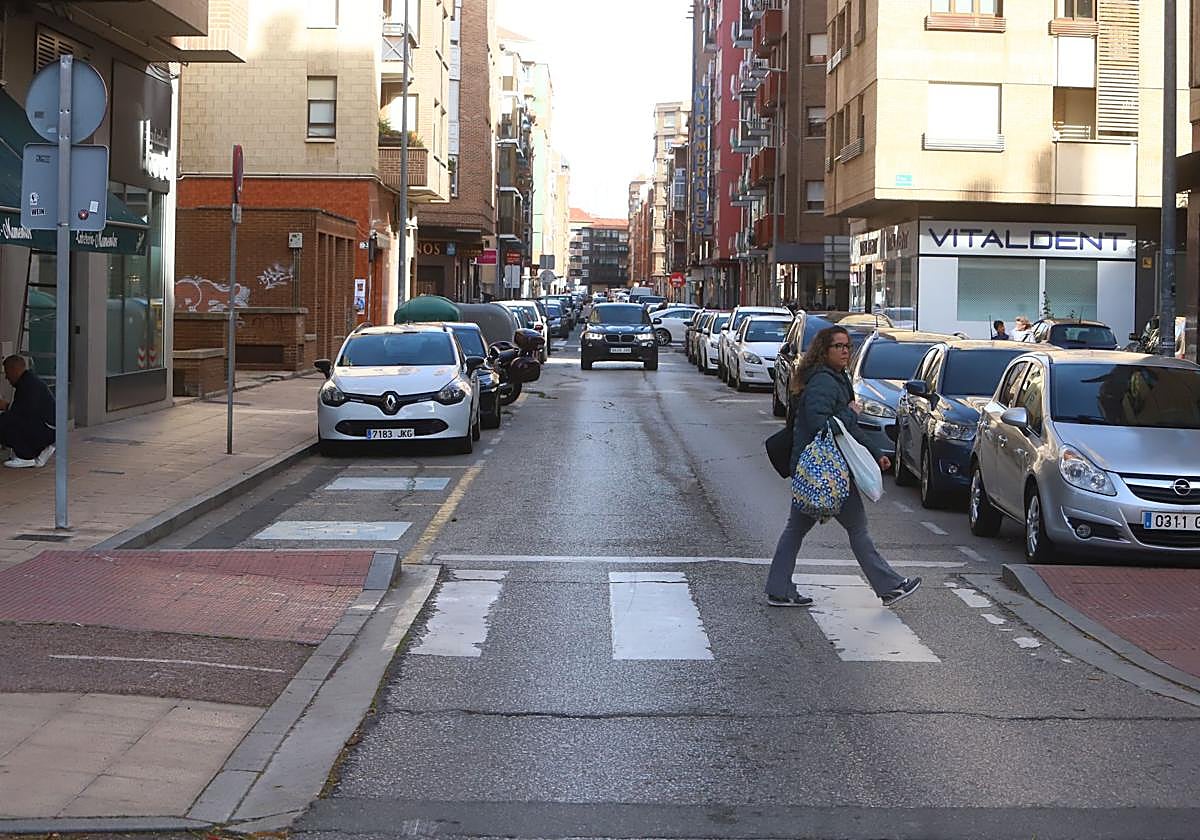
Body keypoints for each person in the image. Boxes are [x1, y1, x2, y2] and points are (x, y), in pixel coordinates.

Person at [765, 327, 921, 608]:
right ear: (824, 351)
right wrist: (851, 412)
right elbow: (820, 423)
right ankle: (889, 586)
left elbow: (846, 430)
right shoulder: (825, 381)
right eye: (838, 346)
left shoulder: (837, 378)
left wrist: (874, 452)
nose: (845, 351)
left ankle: (778, 588)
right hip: (825, 470)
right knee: (856, 529)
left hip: (824, 469)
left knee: (797, 529)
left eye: (847, 346)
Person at [0, 355, 55, 469]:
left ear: (14, 370)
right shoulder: (28, 381)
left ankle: (26, 456)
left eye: (7, 372)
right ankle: (34, 452)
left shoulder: (28, 385)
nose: (6, 377)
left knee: (5, 421)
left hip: (46, 431)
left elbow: (21, 414)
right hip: (48, 429)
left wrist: (4, 406)